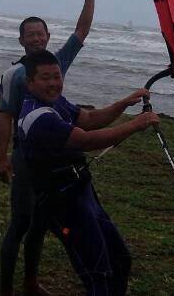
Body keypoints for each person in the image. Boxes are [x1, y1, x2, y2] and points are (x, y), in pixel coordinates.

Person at [16, 50, 157, 296]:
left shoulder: (55, 101)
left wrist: (124, 103)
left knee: (120, 260)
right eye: (45, 78)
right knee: (98, 276)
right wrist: (136, 124)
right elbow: (86, 140)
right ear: (30, 82)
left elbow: (90, 118)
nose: (53, 83)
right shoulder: (38, 117)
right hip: (63, 204)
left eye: (57, 76)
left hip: (82, 193)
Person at [0, 0, 97, 296]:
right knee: (21, 222)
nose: (36, 39)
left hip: (52, 156)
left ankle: (30, 283)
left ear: (48, 36)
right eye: (30, 35)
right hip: (25, 156)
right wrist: (2, 158)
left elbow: (81, 31)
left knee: (40, 223)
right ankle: (6, 289)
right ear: (21, 40)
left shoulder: (56, 62)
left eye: (40, 33)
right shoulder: (14, 74)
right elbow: (5, 116)